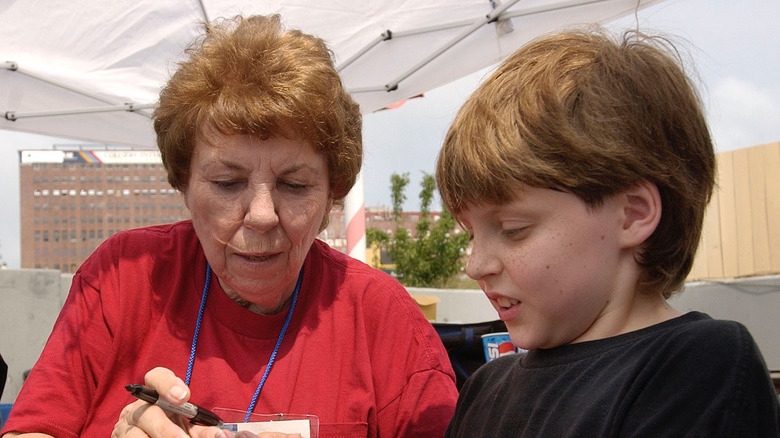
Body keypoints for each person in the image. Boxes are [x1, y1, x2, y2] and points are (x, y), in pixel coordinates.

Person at [1, 14, 458, 438]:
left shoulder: (383, 319)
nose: (262, 215)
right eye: (227, 182)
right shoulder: (122, 277)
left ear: (329, 197)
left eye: (295, 185)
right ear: (184, 185)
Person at [435, 27, 780, 437]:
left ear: (632, 215)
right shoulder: (485, 390)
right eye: (471, 234)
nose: (476, 265)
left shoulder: (698, 365)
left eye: (513, 229)